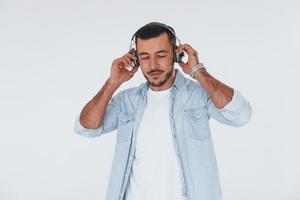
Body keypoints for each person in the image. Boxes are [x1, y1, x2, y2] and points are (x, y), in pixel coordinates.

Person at [74, 22, 252, 200]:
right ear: (135, 59)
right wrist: (112, 82)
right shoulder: (126, 101)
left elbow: (240, 115)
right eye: (144, 57)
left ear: (176, 54)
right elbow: (86, 128)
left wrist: (198, 71)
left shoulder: (199, 95)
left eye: (161, 55)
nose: (153, 65)